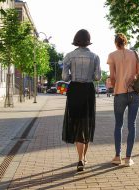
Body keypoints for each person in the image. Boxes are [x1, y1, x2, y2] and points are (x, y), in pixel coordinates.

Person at [62, 29, 101, 172]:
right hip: (88, 91)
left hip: (74, 91)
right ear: (88, 41)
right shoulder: (95, 57)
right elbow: (97, 77)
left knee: (77, 122)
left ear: (76, 40)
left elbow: (65, 78)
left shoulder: (69, 56)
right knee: (87, 123)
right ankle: (83, 158)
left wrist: (73, 72)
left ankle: (80, 159)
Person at [107, 33, 139, 167]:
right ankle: (128, 158)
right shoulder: (134, 54)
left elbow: (112, 77)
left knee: (118, 125)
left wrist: (115, 85)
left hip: (119, 94)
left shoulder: (112, 55)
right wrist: (132, 78)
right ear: (126, 42)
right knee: (132, 125)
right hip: (134, 93)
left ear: (116, 43)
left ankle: (117, 156)